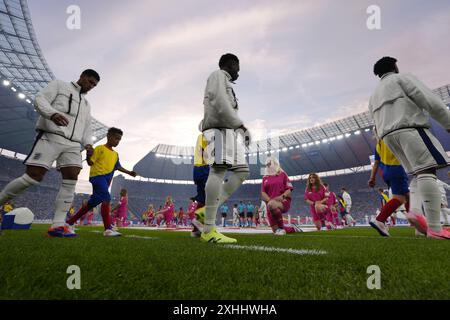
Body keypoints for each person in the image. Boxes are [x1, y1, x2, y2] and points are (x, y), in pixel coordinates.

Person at [0, 69, 99, 237]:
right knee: (33, 176)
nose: (91, 86)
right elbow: (40, 99)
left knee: (72, 177)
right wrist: (51, 114)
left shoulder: (87, 104)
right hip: (51, 136)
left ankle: (58, 224)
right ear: (82, 76)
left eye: (94, 85)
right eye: (90, 82)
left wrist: (88, 144)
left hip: (73, 144)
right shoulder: (59, 85)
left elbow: (87, 127)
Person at [368, 56, 450, 239]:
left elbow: (374, 123)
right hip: (410, 128)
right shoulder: (402, 78)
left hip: (388, 138)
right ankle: (435, 229)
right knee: (428, 171)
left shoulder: (373, 95)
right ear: (394, 67)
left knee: (417, 173)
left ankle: (414, 211)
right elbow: (428, 99)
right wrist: (447, 122)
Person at [201, 53, 251, 243]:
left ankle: (205, 212)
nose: (239, 71)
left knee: (242, 171)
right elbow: (219, 102)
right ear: (230, 65)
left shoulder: (227, 82)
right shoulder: (218, 75)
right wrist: (240, 125)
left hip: (228, 131)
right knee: (219, 170)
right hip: (219, 129)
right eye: (237, 67)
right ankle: (208, 230)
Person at [66, 127, 137, 236]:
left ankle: (69, 223)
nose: (117, 141)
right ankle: (108, 229)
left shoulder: (115, 154)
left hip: (106, 181)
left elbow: (117, 166)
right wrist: (89, 157)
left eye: (119, 140)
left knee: (91, 204)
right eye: (116, 138)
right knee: (106, 199)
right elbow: (90, 162)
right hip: (98, 177)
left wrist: (129, 172)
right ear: (109, 137)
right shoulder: (100, 148)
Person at [368, 136, 410, 237]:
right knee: (400, 198)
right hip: (397, 168)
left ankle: (415, 222)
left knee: (408, 196)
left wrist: (372, 177)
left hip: (386, 172)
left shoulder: (378, 144)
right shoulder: (394, 136)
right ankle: (380, 220)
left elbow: (376, 163)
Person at [261, 157, 300, 235]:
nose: (268, 166)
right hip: (270, 204)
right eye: (267, 165)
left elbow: (289, 189)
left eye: (269, 164)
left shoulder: (282, 174)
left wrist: (282, 197)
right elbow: (263, 193)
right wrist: (270, 200)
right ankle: (293, 228)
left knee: (279, 229)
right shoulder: (265, 177)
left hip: (283, 201)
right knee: (275, 230)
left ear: (275, 163)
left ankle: (282, 228)